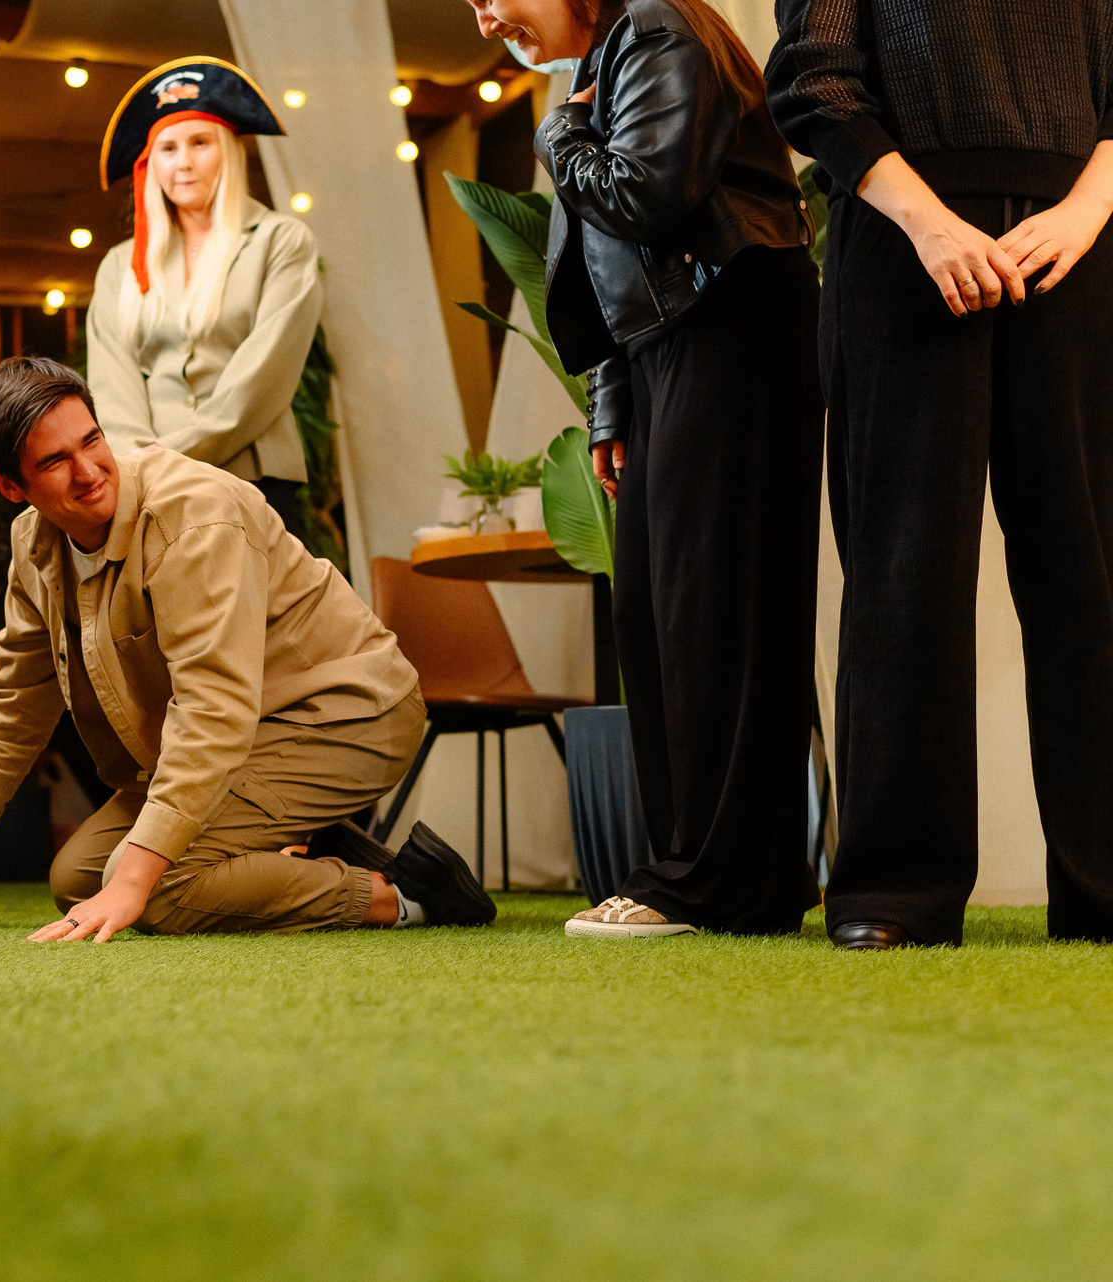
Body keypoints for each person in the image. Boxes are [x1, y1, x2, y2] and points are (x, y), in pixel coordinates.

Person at [0, 357, 497, 941]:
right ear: (10, 485)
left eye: (92, 441)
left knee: (154, 889)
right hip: (246, 733)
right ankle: (301, 837)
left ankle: (403, 895)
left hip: (345, 716)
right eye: (54, 462)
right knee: (80, 878)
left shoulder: (195, 517)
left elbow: (213, 711)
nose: (88, 472)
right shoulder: (34, 546)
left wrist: (138, 879)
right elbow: (17, 705)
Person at [466, 0, 823, 938]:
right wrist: (614, 402)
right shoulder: (617, 50)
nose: (485, 21)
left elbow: (641, 197)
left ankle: (709, 882)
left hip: (729, 330)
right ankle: (720, 878)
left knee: (711, 615)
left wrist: (558, 134)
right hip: (679, 341)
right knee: (665, 616)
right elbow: (618, 254)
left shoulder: (656, 27)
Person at [768, 0, 1113, 948]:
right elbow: (813, 79)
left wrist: (1084, 212)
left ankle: (1103, 887)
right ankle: (895, 893)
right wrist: (928, 225)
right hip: (902, 248)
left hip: (1080, 251)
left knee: (1092, 575)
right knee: (902, 575)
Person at [86, 57, 322, 540]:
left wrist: (165, 461)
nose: (184, 163)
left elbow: (265, 374)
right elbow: (112, 383)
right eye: (167, 148)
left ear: (229, 151)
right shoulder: (119, 265)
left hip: (253, 475)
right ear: (150, 164)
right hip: (148, 489)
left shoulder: (281, 241)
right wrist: (138, 467)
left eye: (200, 143)